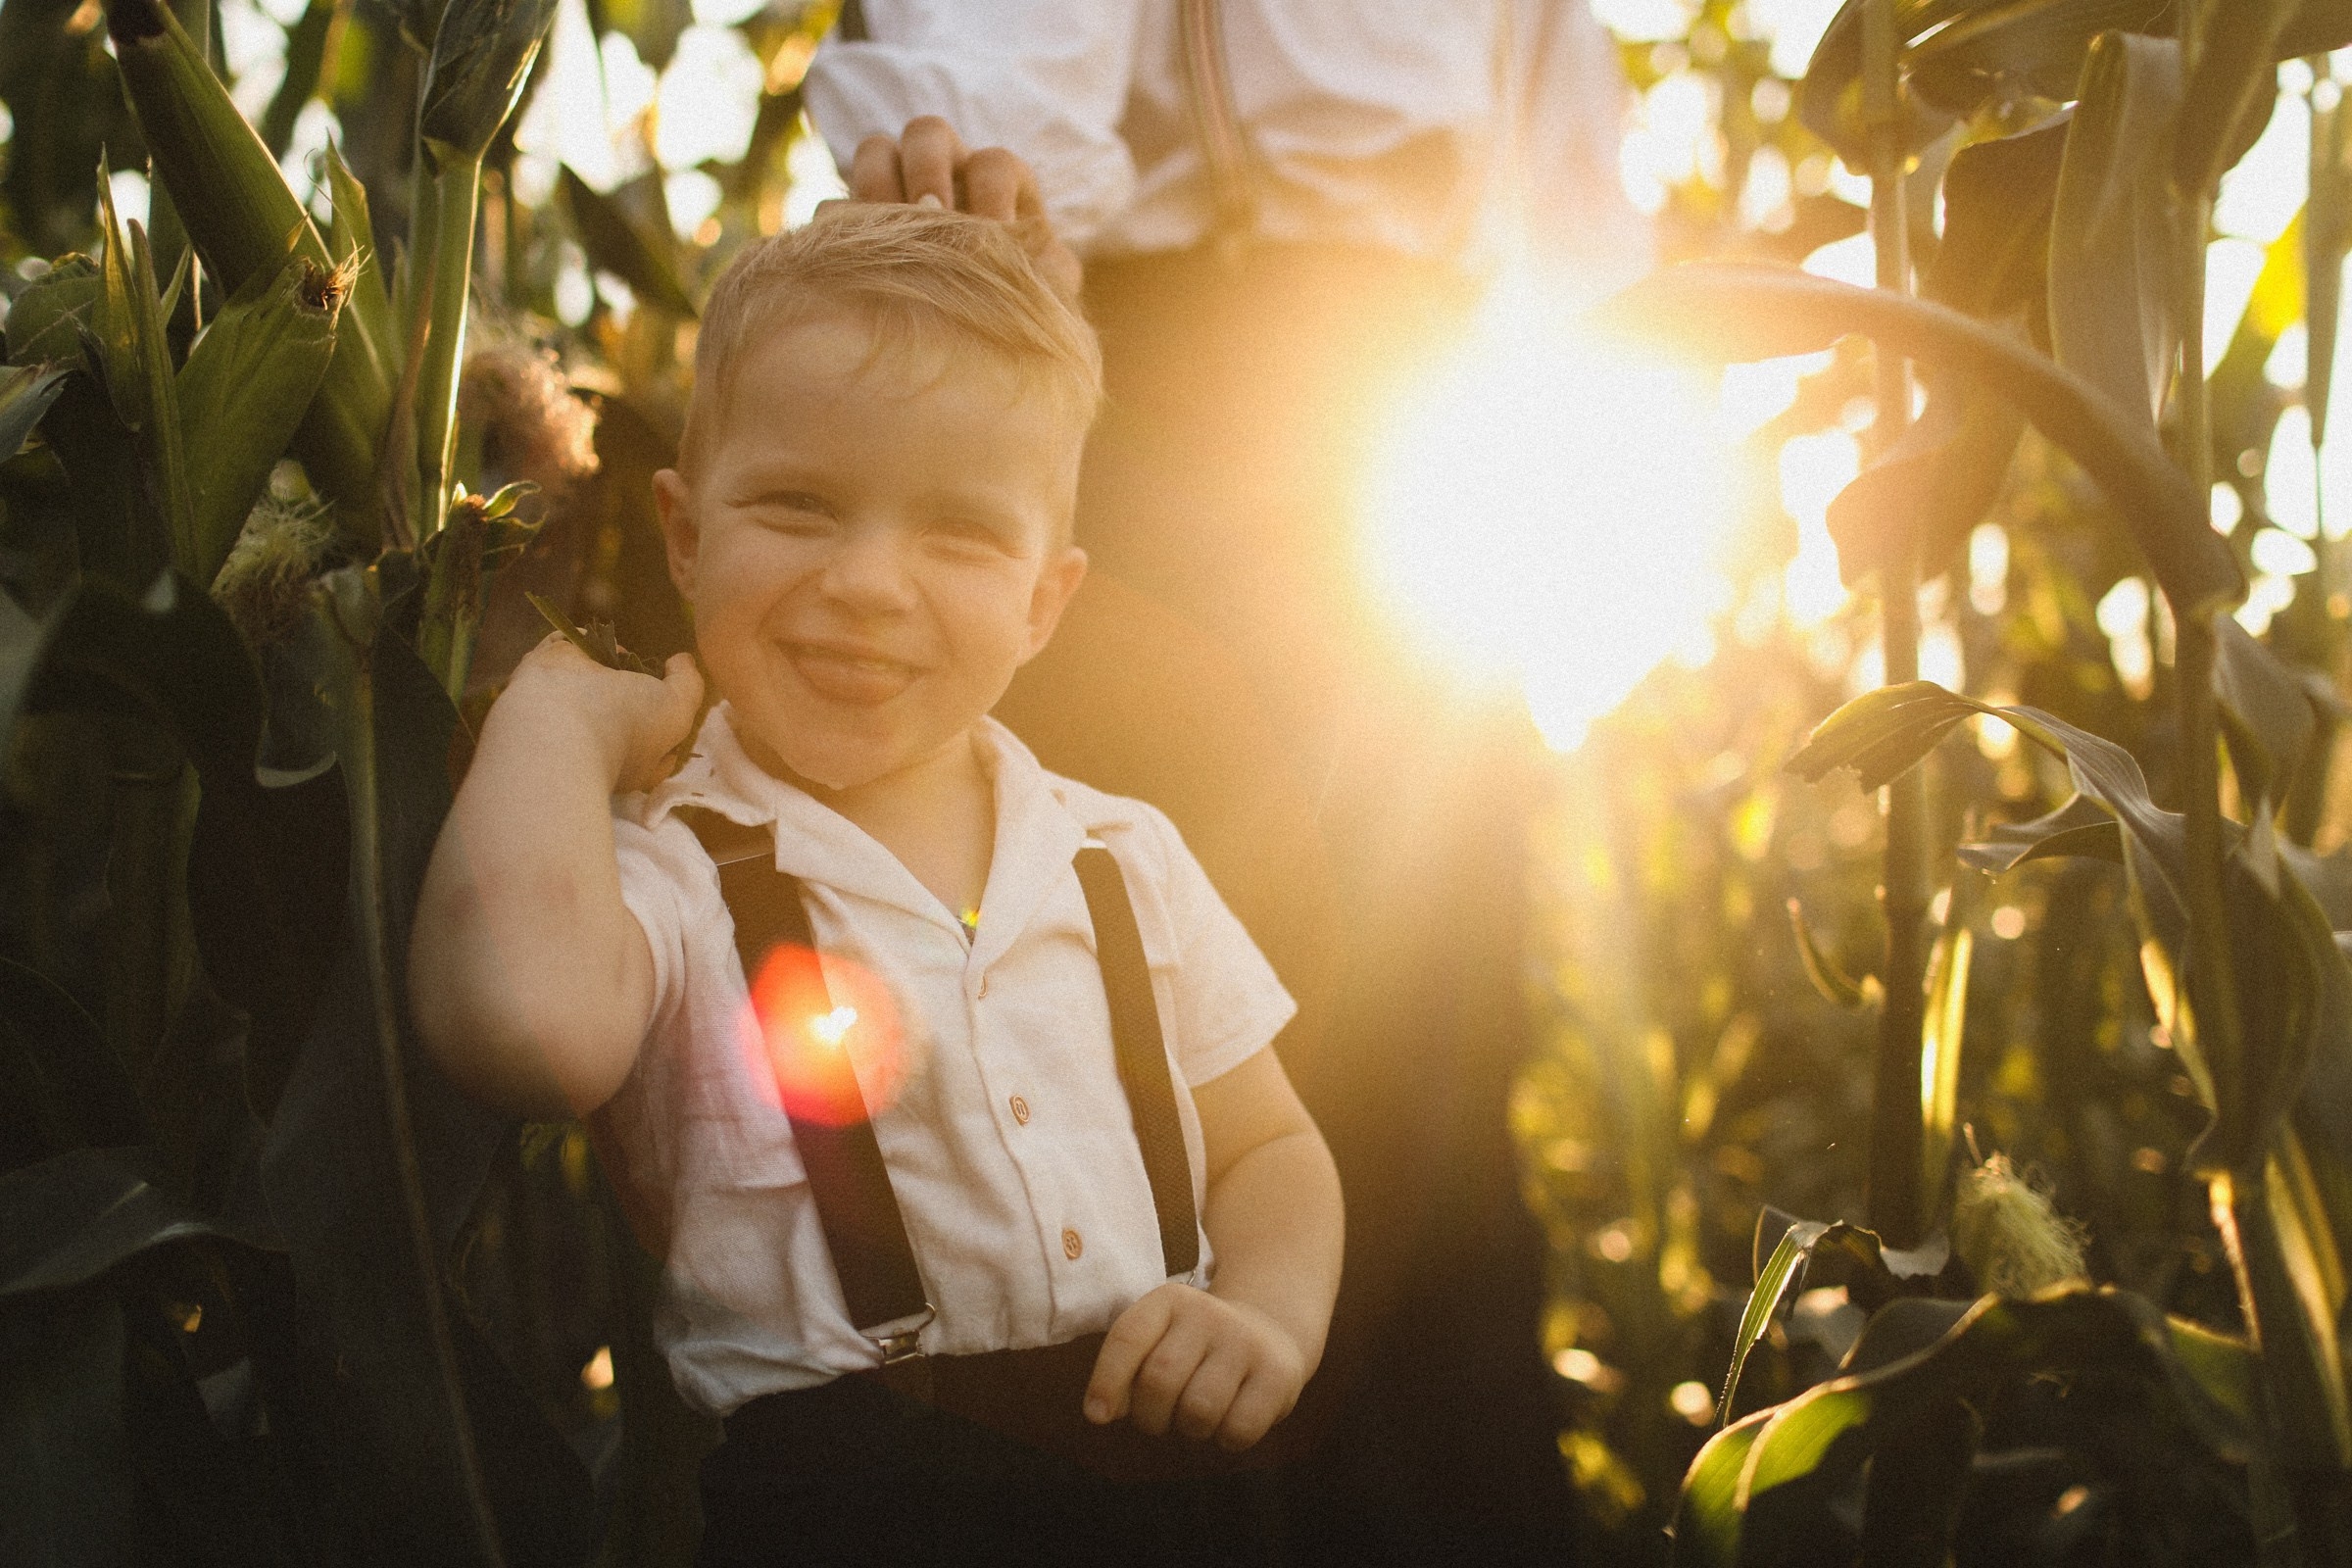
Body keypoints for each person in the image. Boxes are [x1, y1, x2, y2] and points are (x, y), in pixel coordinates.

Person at [802, 7, 1645, 1562]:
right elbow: (1002, 77)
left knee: (1429, 1065)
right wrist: (972, 170)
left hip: (1419, 417)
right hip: (1144, 408)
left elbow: (1564, 180)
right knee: (1158, 1054)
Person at [408, 202, 1345, 1566]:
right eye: (797, 505)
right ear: (683, 533)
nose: (867, 583)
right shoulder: (668, 869)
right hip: (836, 1509)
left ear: (1045, 599)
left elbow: (1270, 1147)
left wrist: (1264, 1314)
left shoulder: (1120, 857)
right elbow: (518, 1030)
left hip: (1172, 1487)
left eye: (961, 534)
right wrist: (554, 717)